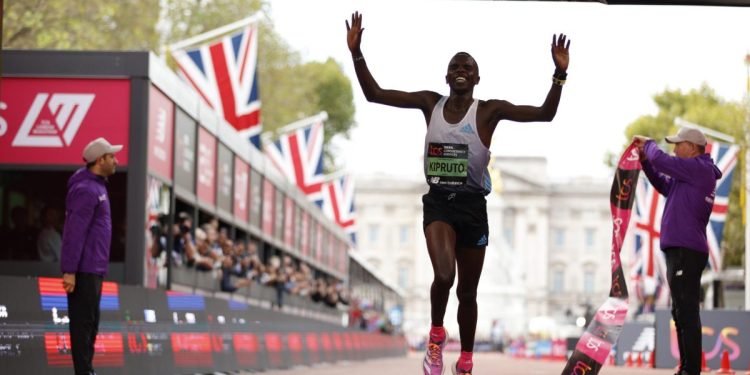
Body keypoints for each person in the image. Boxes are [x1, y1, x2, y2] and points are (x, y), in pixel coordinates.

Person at [346, 11, 570, 375]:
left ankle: (465, 359)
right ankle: (436, 339)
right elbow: (375, 95)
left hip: (472, 208)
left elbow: (544, 114)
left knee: (467, 292)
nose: (460, 69)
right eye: (454, 65)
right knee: (444, 277)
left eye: (467, 66)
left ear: (477, 78)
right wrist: (357, 53)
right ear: (447, 76)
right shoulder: (428, 102)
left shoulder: (489, 111)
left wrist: (559, 75)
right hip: (438, 203)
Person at [633, 128, 721, 375]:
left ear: (692, 148)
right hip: (682, 249)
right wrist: (644, 162)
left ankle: (690, 370)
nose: (673, 149)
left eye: (677, 144)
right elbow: (662, 183)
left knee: (687, 311)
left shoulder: (699, 169)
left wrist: (649, 144)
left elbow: (661, 160)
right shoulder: (690, 175)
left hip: (686, 249)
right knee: (680, 311)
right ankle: (687, 367)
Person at [60, 137, 122, 375]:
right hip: (83, 269)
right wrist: (70, 270)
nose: (116, 161)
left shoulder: (98, 187)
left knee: (90, 324)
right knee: (83, 324)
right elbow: (74, 232)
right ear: (100, 160)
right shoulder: (86, 189)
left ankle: (87, 370)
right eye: (112, 157)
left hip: (93, 268)